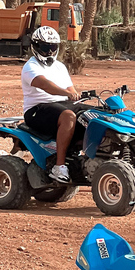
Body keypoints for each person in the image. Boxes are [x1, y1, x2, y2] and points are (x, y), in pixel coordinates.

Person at [21, 26, 82, 183]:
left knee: (93, 114)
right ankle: (59, 167)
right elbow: (46, 85)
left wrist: (75, 96)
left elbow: (71, 89)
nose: (49, 52)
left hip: (60, 105)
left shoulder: (60, 67)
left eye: (52, 47)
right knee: (69, 117)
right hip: (37, 110)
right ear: (35, 46)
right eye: (45, 47)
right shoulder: (30, 66)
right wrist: (67, 94)